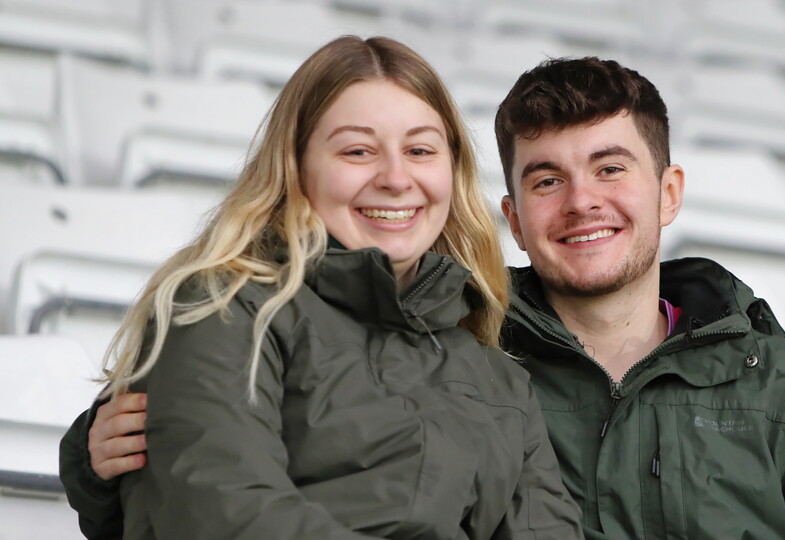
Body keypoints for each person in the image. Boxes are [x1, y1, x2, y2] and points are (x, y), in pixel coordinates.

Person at [62, 55, 785, 539]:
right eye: (547, 180)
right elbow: (207, 466)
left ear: (668, 193)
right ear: (512, 216)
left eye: (611, 169)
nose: (583, 202)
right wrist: (92, 455)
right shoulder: (479, 343)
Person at [58, 35, 583, 540]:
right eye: (357, 151)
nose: (396, 178)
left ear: (453, 171)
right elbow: (227, 517)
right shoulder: (222, 308)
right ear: (296, 168)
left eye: (420, 150)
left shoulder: (499, 380)